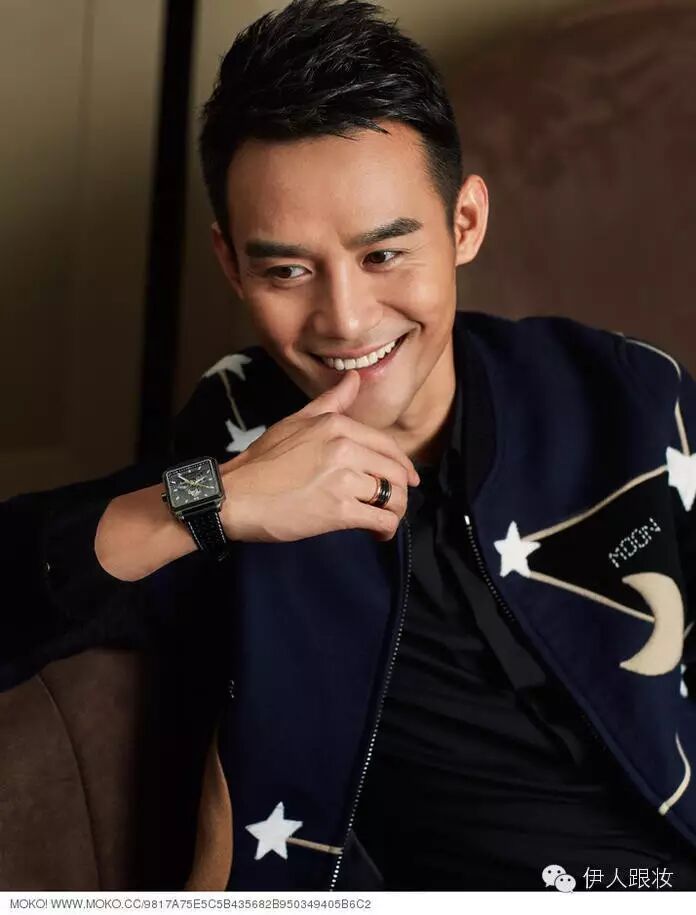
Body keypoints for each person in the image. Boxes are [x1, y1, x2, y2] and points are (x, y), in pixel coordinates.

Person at [2, 0, 696, 892]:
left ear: (465, 223)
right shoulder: (231, 447)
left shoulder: (623, 395)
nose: (345, 319)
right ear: (231, 263)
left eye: (383, 256)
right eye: (287, 270)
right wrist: (212, 500)